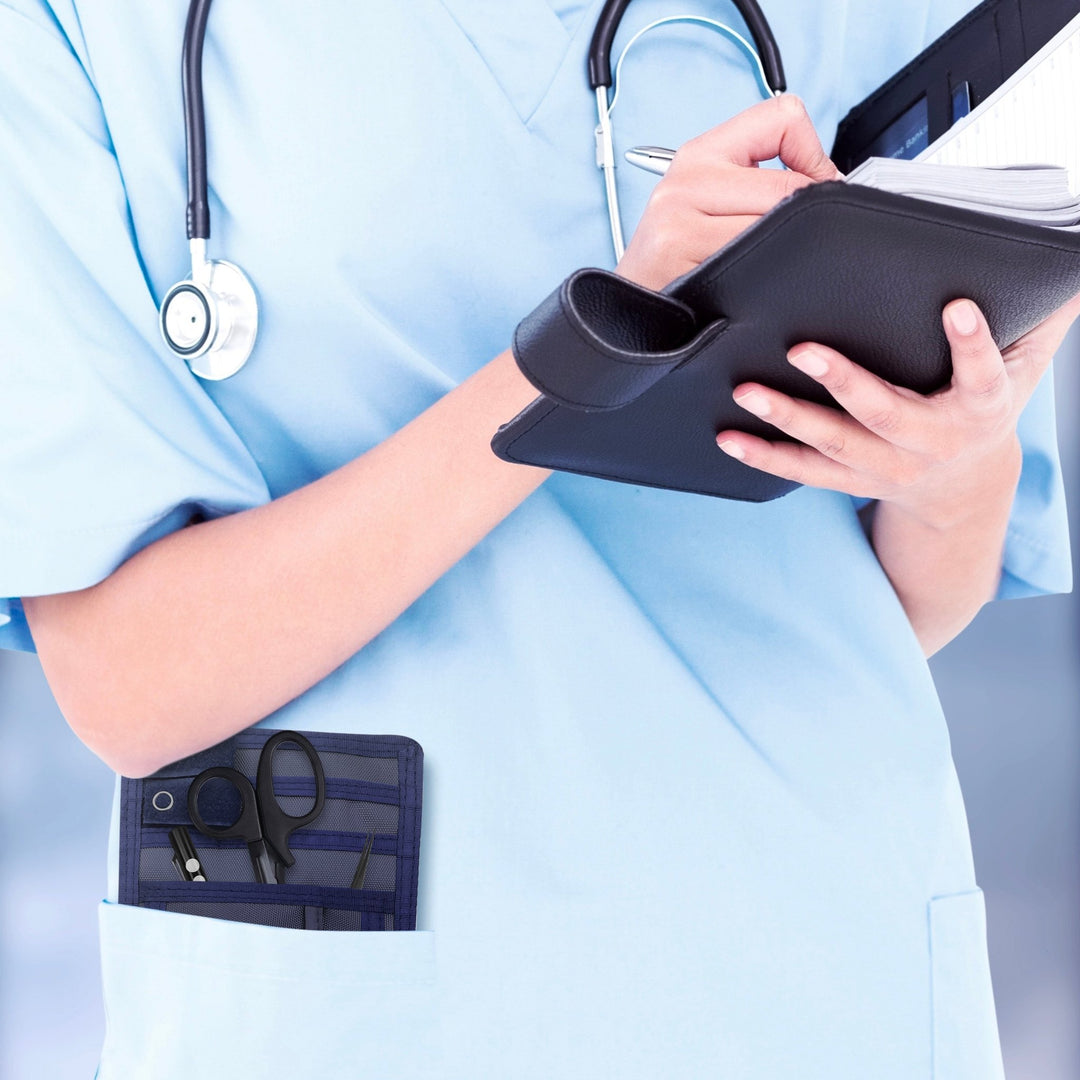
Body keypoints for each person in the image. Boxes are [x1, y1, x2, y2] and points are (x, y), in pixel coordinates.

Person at [0, 2, 1075, 1077]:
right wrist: (598, 344)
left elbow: (919, 598)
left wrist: (955, 452)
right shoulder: (84, 27)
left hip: (814, 966)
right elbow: (129, 678)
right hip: (354, 1011)